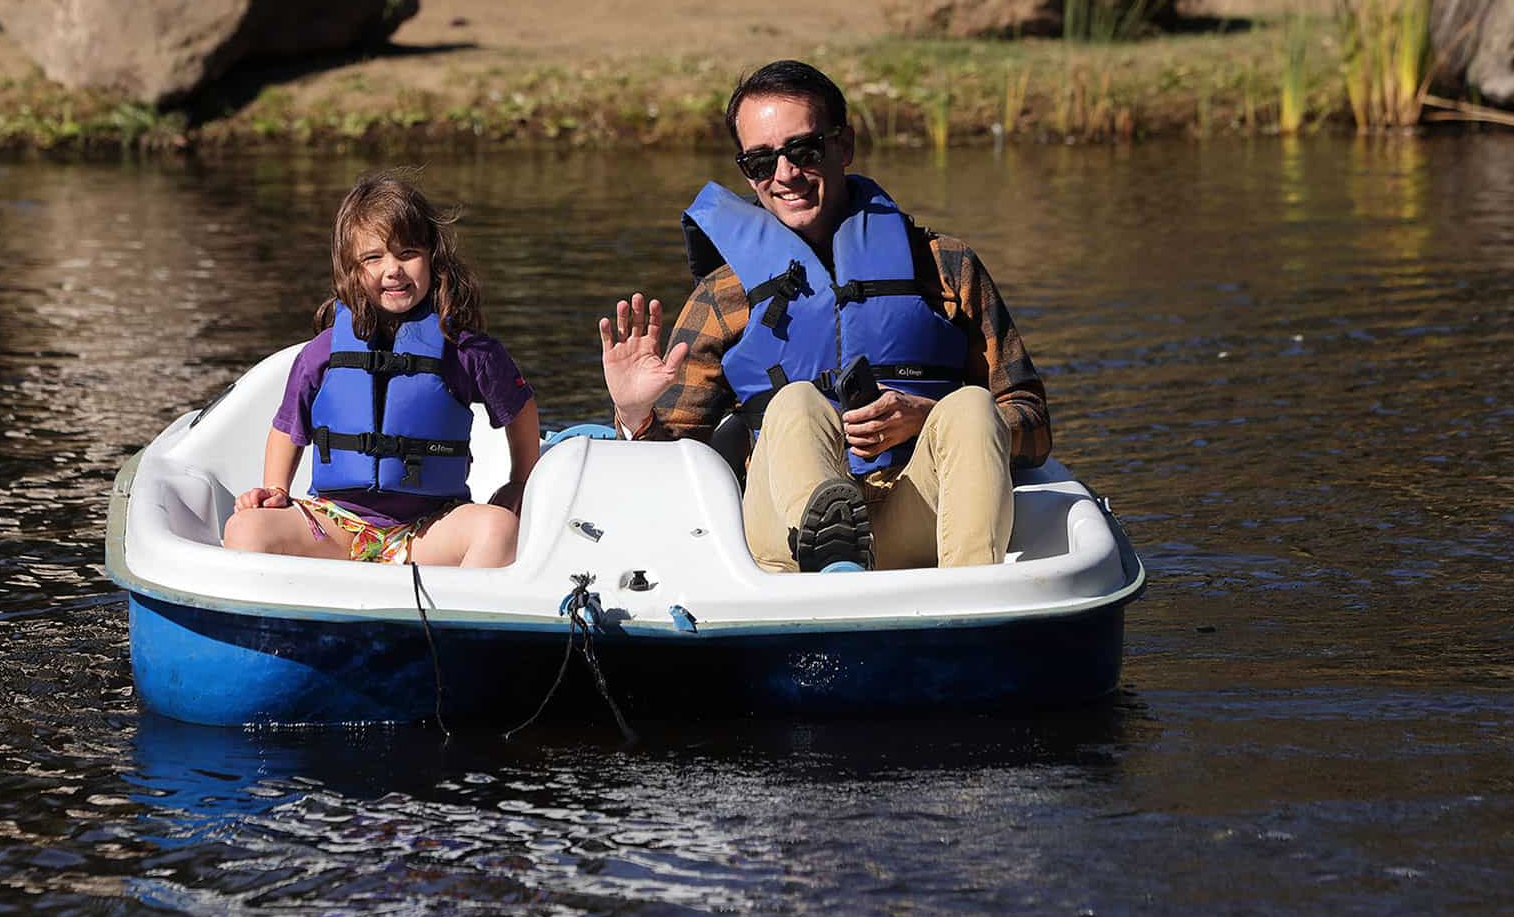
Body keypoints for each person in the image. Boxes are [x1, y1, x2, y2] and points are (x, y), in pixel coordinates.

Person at [598, 60, 1051, 573]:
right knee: (795, 404)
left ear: (845, 146)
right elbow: (671, 472)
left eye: (804, 151)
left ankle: (973, 608)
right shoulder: (723, 295)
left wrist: (926, 419)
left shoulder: (946, 266)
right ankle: (835, 575)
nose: (785, 174)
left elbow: (1033, 426)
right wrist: (634, 415)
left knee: (972, 405)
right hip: (786, 540)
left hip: (920, 511)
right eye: (760, 162)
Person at [224, 172, 540, 568]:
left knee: (498, 528)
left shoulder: (467, 351)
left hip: (429, 528)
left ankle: (453, 624)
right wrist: (275, 490)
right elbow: (288, 427)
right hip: (336, 525)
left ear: (432, 257)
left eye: (407, 253)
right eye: (374, 257)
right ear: (351, 270)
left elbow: (520, 408)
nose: (393, 269)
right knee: (245, 529)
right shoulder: (321, 353)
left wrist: (520, 483)